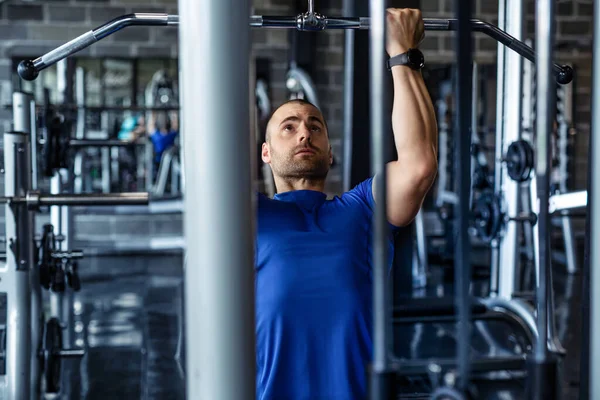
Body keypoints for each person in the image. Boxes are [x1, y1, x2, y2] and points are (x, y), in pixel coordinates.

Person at [255, 8, 438, 400]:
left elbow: (419, 165)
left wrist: (402, 55)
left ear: (330, 152)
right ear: (266, 153)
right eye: (289, 126)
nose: (304, 131)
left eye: (315, 126)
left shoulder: (361, 210)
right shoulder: (246, 215)